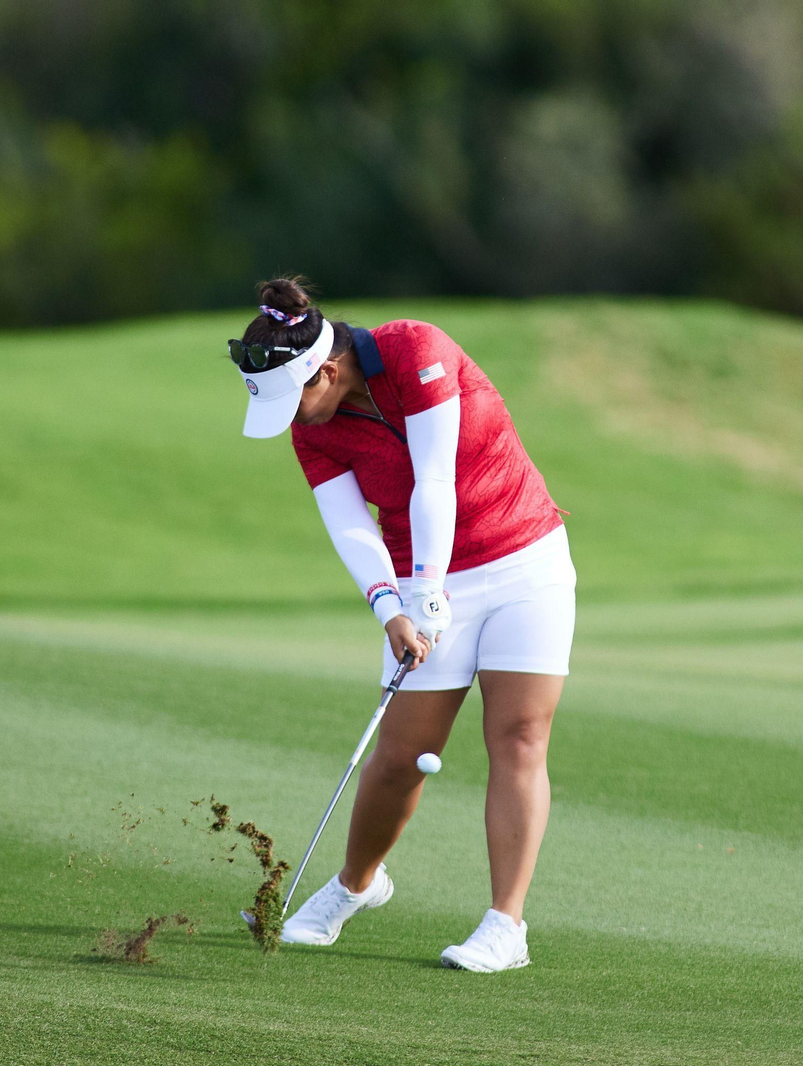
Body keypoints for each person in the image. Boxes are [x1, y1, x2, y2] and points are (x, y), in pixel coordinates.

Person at [227, 277, 576, 972]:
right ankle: (358, 884)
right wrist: (392, 608)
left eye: (295, 398)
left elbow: (433, 480)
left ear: (326, 371)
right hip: (424, 580)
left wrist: (429, 594)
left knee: (518, 736)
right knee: (397, 757)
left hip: (522, 561)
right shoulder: (313, 429)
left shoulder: (417, 349)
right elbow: (350, 525)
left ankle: (506, 926)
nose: (293, 418)